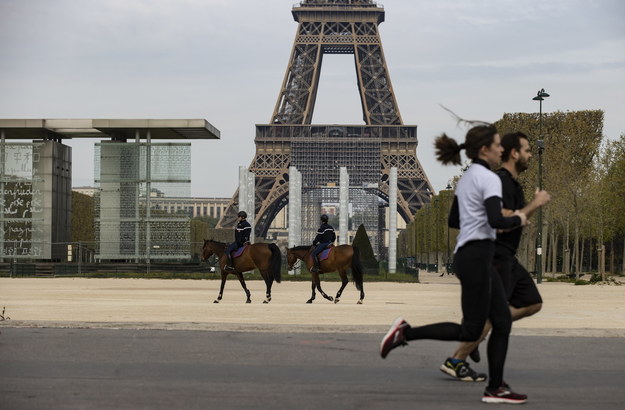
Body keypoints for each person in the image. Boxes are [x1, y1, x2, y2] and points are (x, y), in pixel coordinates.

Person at [379, 124, 530, 404]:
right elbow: (497, 221)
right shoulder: (490, 178)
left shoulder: (469, 177)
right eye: (497, 145)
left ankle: (496, 388)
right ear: (485, 149)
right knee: (471, 330)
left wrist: (480, 218)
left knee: (501, 320)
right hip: (478, 256)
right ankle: (405, 332)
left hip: (471, 254)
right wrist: (521, 217)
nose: (501, 149)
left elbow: (454, 221)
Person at [440, 131, 551, 382]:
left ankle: (478, 327)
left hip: (507, 256)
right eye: (527, 150)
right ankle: (458, 358)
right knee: (495, 315)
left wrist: (521, 215)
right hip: (495, 255)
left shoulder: (511, 183)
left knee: (533, 302)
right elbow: (493, 213)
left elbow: (507, 216)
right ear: (515, 153)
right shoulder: (498, 179)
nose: (531, 155)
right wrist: (532, 206)